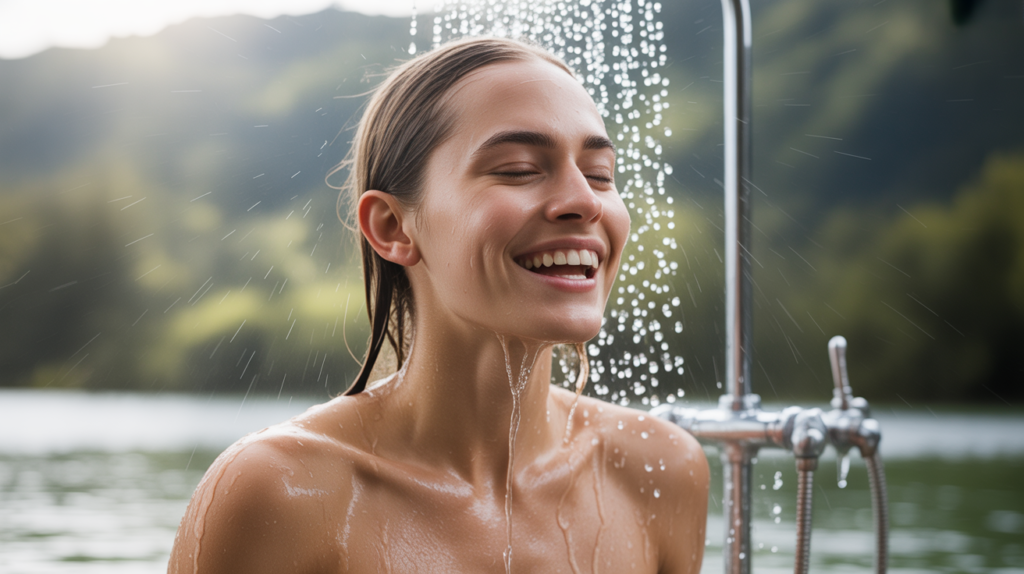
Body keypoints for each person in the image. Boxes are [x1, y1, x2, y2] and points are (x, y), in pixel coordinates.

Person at [168, 36, 708, 574]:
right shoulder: (283, 492)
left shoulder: (657, 471)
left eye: (600, 175)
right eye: (518, 169)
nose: (585, 202)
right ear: (393, 226)